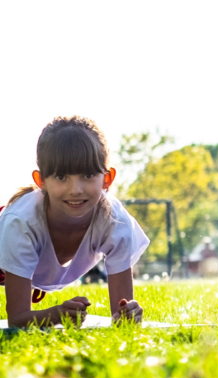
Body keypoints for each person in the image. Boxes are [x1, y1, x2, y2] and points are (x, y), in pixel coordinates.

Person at [0, 116, 148, 327]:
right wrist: (56, 314)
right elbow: (17, 320)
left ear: (107, 179)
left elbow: (121, 316)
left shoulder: (116, 222)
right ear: (41, 181)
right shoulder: (21, 223)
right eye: (61, 177)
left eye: (87, 175)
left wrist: (129, 314)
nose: (75, 190)